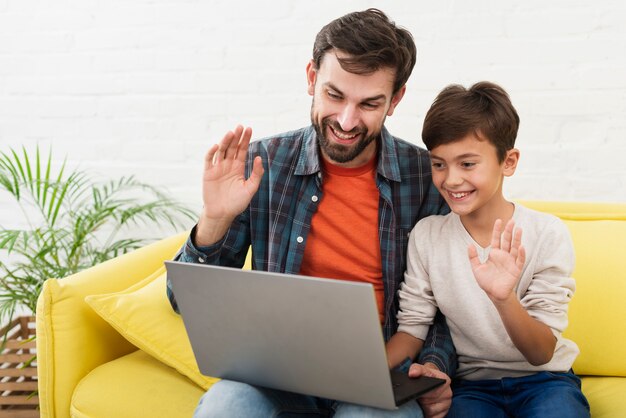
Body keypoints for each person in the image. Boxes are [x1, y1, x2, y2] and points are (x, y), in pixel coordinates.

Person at [167, 8, 456, 418]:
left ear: (396, 99)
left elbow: (448, 304)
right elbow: (182, 300)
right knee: (227, 406)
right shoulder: (262, 164)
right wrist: (215, 219)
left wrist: (436, 367)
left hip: (380, 375)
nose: (346, 120)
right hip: (272, 375)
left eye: (369, 103)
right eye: (334, 95)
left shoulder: (426, 179)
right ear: (311, 78)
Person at [385, 81, 591, 417]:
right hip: (474, 387)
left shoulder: (546, 233)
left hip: (546, 379)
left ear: (508, 162)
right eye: (439, 164)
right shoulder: (428, 236)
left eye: (467, 164)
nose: (450, 180)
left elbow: (541, 353)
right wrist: (366, 374)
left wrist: (503, 298)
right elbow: (413, 327)